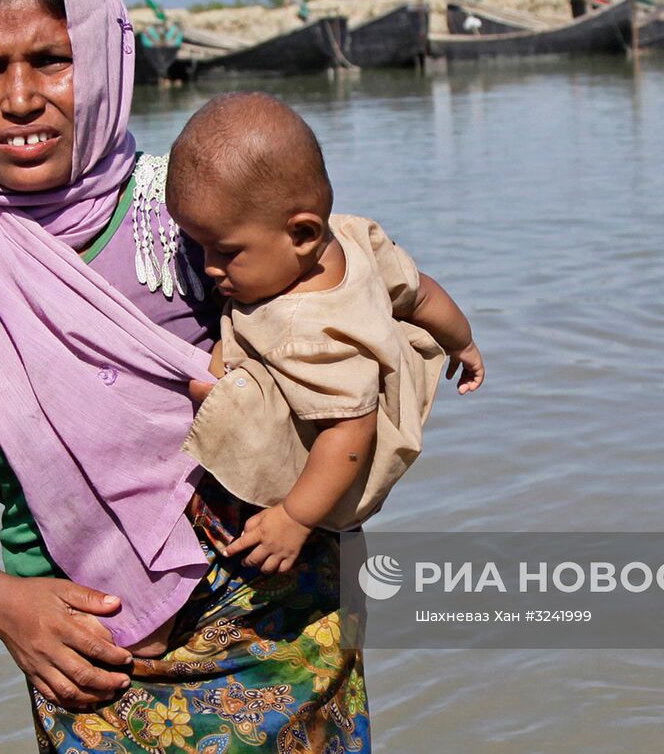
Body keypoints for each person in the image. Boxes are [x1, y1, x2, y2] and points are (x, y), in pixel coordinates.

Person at [0, 0, 369, 752]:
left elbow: (355, 330)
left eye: (52, 60)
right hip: (82, 669)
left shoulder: (195, 206)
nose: (20, 98)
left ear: (101, 59)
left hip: (278, 635)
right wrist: (3, 607)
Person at [164, 92, 484, 577]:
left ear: (302, 235)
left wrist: (294, 518)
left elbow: (350, 431)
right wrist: (463, 341)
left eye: (225, 251)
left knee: (215, 391)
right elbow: (419, 294)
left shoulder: (309, 331)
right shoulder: (351, 237)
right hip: (339, 427)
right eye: (199, 245)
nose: (208, 266)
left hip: (331, 469)